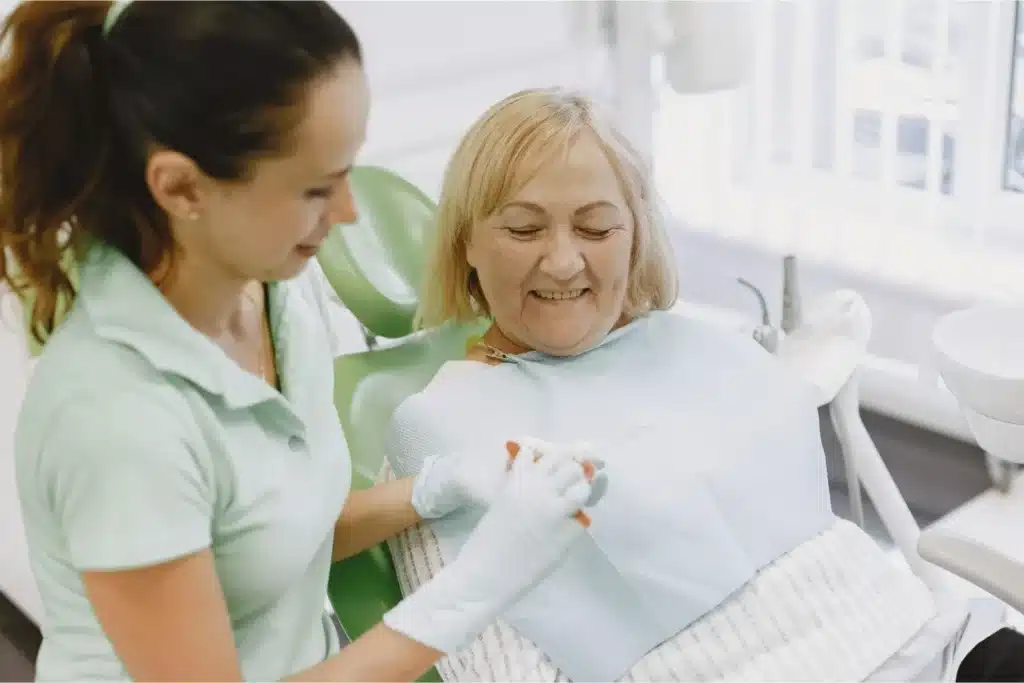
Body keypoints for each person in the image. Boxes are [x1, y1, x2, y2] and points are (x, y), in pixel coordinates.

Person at [0, 3, 603, 681]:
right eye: (317, 188)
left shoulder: (276, 295)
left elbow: (267, 540)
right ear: (180, 186)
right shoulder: (117, 421)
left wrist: (438, 488)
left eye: (348, 168)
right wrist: (479, 585)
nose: (349, 212)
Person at [381, 87, 1024, 682]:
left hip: (935, 644)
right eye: (523, 229)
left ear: (634, 236)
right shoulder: (442, 430)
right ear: (466, 239)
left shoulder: (688, 342)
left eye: (597, 227)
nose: (563, 260)